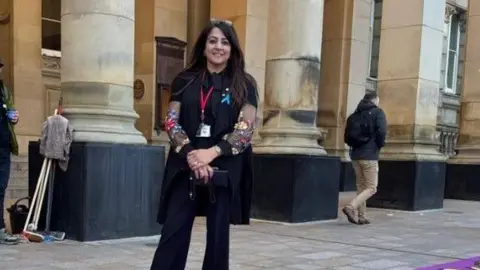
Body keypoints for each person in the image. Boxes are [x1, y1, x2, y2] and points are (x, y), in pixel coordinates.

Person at [150, 19, 258, 270]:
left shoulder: (246, 84)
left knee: (218, 239)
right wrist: (192, 155)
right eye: (212, 41)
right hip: (184, 165)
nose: (218, 47)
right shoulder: (184, 80)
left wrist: (211, 153)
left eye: (224, 41)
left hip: (224, 167)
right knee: (173, 233)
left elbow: (244, 130)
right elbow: (171, 122)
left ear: (232, 48)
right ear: (204, 46)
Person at [343, 91, 386, 225]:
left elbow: (346, 137)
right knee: (372, 187)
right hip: (370, 155)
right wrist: (378, 145)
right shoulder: (378, 113)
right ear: (375, 100)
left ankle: (362, 216)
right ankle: (351, 207)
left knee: (361, 186)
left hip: (355, 155)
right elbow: (382, 131)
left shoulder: (353, 116)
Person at [0, 58, 20, 244]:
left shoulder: (4, 91)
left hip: (4, 146)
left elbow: (11, 112)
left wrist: (14, 117)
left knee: (1, 187)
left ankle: (0, 229)